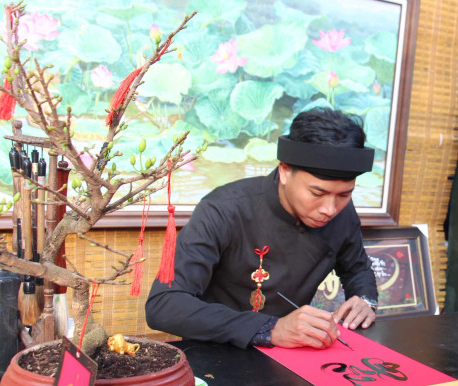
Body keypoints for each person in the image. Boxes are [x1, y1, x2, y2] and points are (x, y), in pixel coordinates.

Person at [145, 108, 379, 350]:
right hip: (217, 354)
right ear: (285, 171)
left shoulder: (342, 213)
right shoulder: (223, 209)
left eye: (344, 194)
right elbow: (163, 304)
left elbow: (357, 268)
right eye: (317, 193)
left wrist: (364, 300)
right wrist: (269, 328)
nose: (330, 209)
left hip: (294, 357)